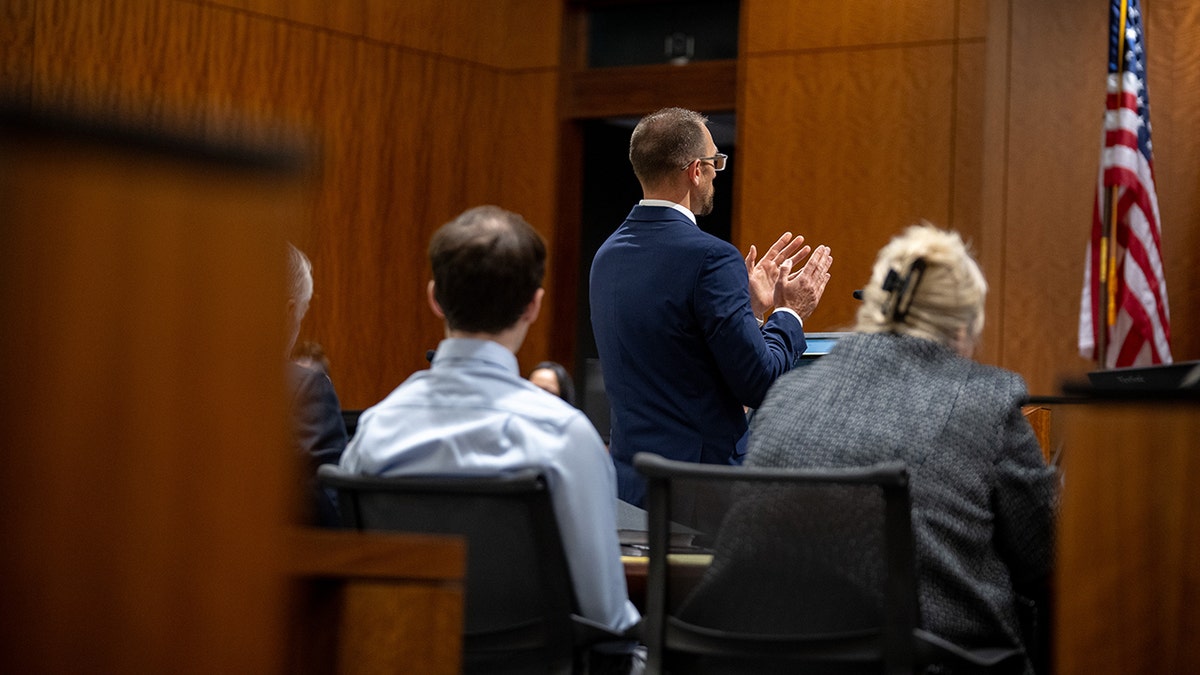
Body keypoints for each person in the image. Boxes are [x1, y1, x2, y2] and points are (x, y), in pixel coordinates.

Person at [744, 224, 1057, 671]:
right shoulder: (986, 402)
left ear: (872, 307)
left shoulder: (784, 398)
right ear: (964, 327)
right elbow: (1047, 559)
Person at [339, 206, 642, 645]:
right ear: (533, 306)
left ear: (434, 298)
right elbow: (605, 616)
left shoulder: (374, 432)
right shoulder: (565, 437)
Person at [590, 106, 834, 506]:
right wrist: (790, 312)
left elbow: (687, 365)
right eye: (715, 162)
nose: (717, 173)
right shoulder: (710, 258)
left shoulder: (607, 255)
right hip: (698, 493)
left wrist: (751, 311)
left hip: (631, 490)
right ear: (695, 171)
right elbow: (759, 383)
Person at [285, 243, 348, 527]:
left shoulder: (173, 387)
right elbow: (330, 520)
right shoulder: (306, 389)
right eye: (302, 314)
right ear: (287, 313)